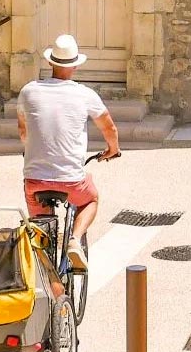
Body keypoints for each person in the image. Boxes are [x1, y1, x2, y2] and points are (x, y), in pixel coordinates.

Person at [17, 34, 120, 271]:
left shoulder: (28, 91)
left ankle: (55, 290)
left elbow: (23, 131)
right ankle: (74, 239)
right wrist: (112, 150)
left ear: (50, 63)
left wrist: (31, 150)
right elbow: (109, 127)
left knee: (41, 239)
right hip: (71, 180)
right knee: (91, 198)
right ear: (74, 65)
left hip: (35, 180)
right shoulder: (84, 94)